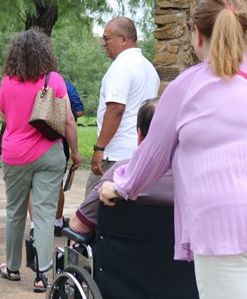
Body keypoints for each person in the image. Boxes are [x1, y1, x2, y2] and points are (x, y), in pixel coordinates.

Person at [99, 0, 247, 299]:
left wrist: (119, 186)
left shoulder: (188, 87)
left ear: (196, 34)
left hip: (223, 222)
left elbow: (150, 157)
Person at [0, 29, 82, 293]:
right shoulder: (53, 79)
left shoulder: (7, 82)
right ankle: (42, 274)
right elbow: (68, 120)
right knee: (44, 214)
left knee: (15, 212)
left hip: (15, 154)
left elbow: (3, 115)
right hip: (48, 154)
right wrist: (76, 152)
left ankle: (12, 267)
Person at [70, 98, 171, 236]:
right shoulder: (194, 180)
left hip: (120, 255)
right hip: (177, 256)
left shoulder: (121, 172)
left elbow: (79, 226)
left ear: (139, 134)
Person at [85, 17, 159, 197]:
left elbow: (116, 109)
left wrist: (100, 148)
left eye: (107, 38)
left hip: (116, 155)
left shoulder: (121, 67)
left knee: (91, 206)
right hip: (139, 151)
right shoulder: (149, 68)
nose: (103, 43)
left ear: (124, 39)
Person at [28, 79, 84, 237]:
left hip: (28, 140)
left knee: (32, 187)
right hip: (57, 139)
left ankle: (34, 226)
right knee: (56, 184)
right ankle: (57, 222)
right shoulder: (63, 84)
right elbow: (78, 112)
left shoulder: (21, 81)